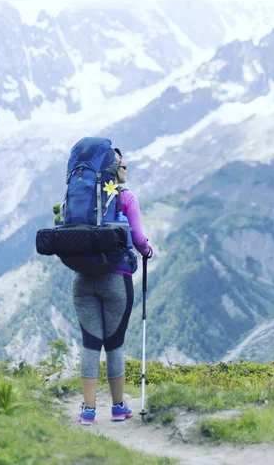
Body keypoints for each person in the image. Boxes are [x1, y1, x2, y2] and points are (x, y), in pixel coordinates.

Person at [71, 147, 152, 426]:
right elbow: (138, 237)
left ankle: (88, 411)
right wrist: (147, 250)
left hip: (82, 280)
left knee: (90, 344)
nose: (126, 166)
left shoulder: (79, 199)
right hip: (116, 279)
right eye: (122, 163)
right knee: (114, 344)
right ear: (113, 169)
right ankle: (118, 407)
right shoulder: (125, 197)